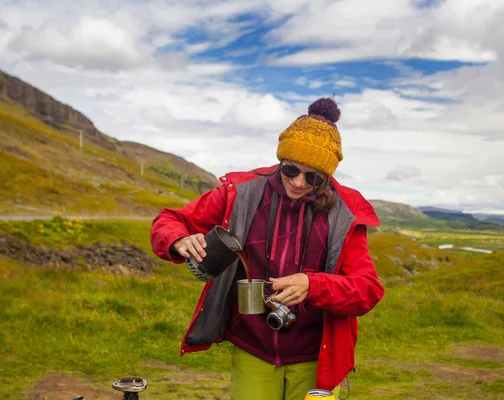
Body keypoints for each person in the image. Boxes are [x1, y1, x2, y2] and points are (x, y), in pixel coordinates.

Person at [150, 97, 384, 400]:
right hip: (252, 349)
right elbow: (170, 220)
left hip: (316, 356)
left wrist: (314, 285)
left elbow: (368, 290)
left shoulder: (345, 213)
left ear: (327, 177)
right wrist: (178, 239)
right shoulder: (241, 193)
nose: (299, 183)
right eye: (290, 170)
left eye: (312, 177)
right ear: (280, 160)